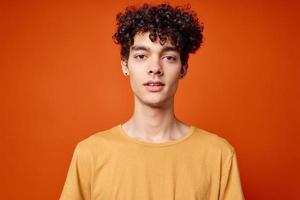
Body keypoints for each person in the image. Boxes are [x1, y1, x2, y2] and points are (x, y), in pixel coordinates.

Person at [60, 3, 245, 200]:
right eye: (141, 56)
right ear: (125, 64)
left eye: (168, 57)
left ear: (183, 68)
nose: (155, 68)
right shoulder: (90, 154)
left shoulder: (218, 155)